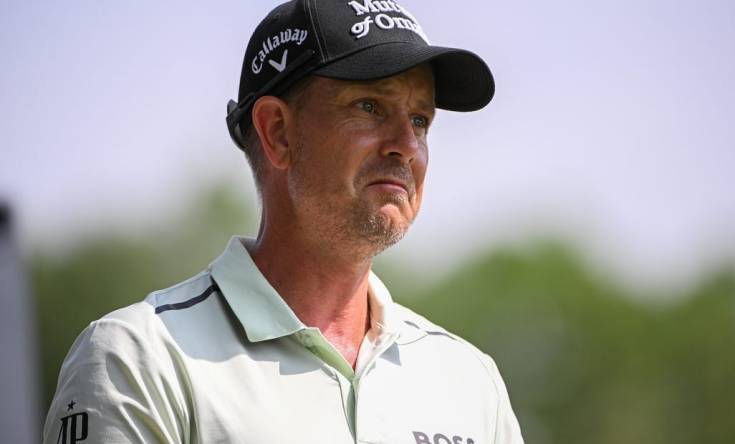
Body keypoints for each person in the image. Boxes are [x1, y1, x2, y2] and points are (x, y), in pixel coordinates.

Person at [43, 1, 524, 443]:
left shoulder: (471, 380)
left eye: (420, 120)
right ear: (278, 132)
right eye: (370, 107)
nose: (406, 144)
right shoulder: (136, 359)